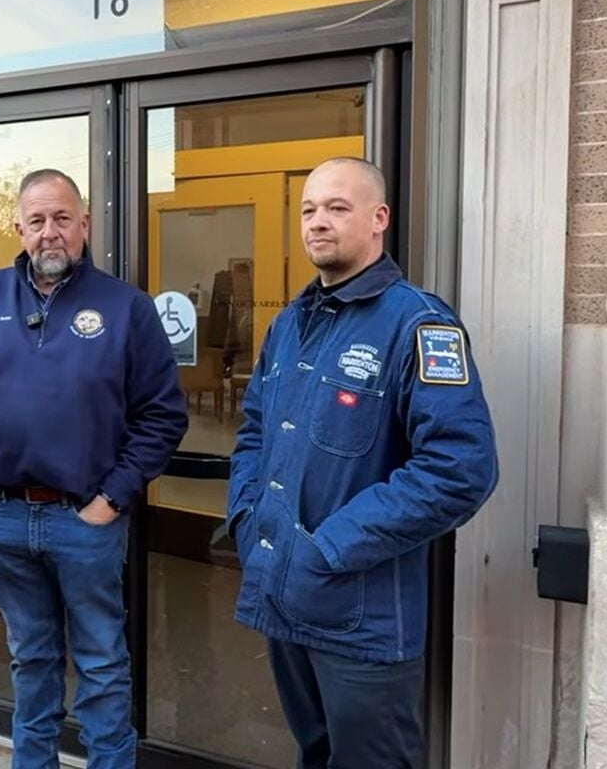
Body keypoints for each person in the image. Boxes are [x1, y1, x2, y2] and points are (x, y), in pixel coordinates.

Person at [227, 158, 498, 769]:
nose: (317, 222)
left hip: (362, 622)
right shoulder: (288, 324)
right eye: (308, 210)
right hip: (283, 597)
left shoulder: (419, 324)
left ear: (379, 219)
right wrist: (247, 519)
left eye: (337, 208)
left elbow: (460, 469)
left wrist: (329, 548)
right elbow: (254, 433)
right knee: (315, 755)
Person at [0, 169, 188, 768]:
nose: (50, 232)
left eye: (62, 219)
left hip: (86, 521)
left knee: (100, 663)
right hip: (2, 517)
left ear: (84, 224)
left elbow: (162, 416)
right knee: (30, 660)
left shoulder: (126, 308)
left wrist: (111, 499)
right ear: (18, 228)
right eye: (37, 220)